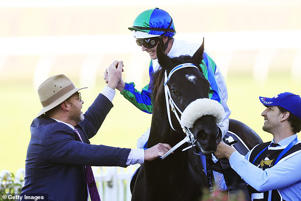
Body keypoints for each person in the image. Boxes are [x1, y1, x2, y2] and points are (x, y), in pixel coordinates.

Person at [20, 61, 171, 201]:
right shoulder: (50, 137)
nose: (82, 101)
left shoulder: (61, 127)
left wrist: (112, 85)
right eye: (78, 97)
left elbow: (90, 122)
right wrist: (144, 154)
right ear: (65, 105)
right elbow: (94, 153)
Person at [109, 8, 230, 148]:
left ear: (164, 37)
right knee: (142, 146)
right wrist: (122, 86)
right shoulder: (156, 62)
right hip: (179, 121)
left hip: (212, 118)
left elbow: (212, 96)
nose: (143, 48)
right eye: (139, 42)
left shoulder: (194, 55)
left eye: (148, 42)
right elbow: (151, 104)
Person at [215, 92, 301, 201]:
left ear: (284, 116)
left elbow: (263, 181)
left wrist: (229, 153)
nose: (263, 113)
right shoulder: (257, 151)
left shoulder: (298, 155)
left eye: (270, 108)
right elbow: (230, 182)